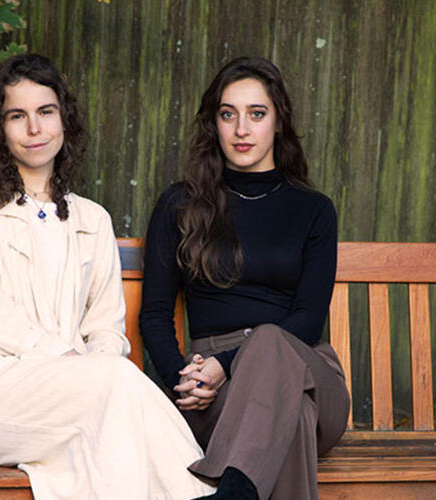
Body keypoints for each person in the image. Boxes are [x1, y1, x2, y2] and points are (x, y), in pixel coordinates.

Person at [0, 53, 215, 500]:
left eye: (46, 112)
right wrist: (75, 363)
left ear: (63, 120)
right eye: (17, 116)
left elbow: (104, 327)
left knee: (112, 433)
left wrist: (91, 368)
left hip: (81, 396)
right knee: (116, 387)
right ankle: (204, 492)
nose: (34, 129)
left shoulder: (92, 219)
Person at [140, 56, 350, 500]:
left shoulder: (313, 210)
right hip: (213, 393)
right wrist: (187, 380)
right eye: (227, 114)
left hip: (305, 365)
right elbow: (156, 314)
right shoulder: (180, 203)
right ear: (213, 124)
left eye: (257, 114)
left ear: (278, 122)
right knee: (292, 418)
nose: (242, 129)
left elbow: (308, 320)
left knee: (272, 341)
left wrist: (225, 365)